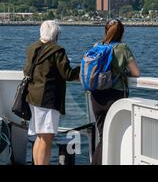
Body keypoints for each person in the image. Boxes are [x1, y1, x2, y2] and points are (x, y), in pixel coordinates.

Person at [24, 20, 80, 165]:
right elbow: (68, 74)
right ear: (56, 34)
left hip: (33, 96)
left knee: (40, 137)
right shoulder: (57, 51)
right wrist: (84, 66)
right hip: (48, 98)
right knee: (46, 138)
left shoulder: (32, 48)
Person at [90, 19, 140, 165]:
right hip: (115, 96)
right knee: (113, 137)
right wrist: (123, 72)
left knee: (103, 136)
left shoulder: (97, 46)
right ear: (122, 33)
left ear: (105, 31)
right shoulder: (122, 48)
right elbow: (136, 72)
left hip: (96, 96)